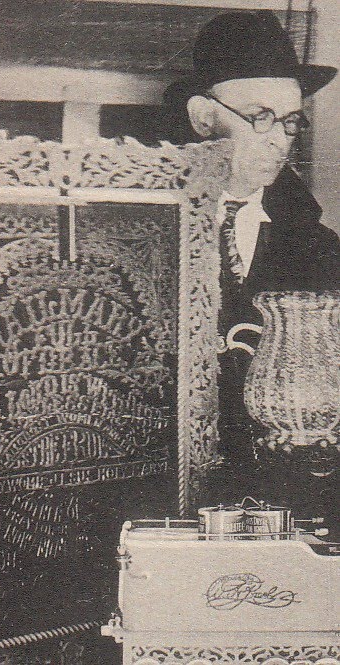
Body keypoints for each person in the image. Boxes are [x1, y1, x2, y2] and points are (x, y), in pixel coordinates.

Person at [165, 11, 339, 526]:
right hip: (165, 500)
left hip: (287, 508)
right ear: (203, 118)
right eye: (260, 116)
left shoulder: (322, 251)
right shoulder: (145, 235)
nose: (280, 140)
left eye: (290, 121)